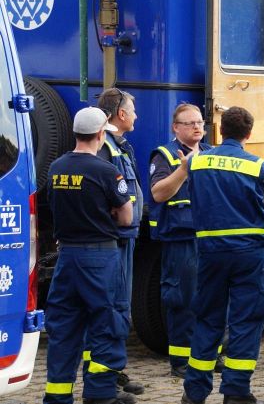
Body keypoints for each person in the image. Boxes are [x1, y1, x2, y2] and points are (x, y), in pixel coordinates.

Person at [181, 107, 264, 404]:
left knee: (208, 319)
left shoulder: (197, 161)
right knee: (246, 320)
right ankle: (236, 391)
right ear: (248, 134)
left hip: (210, 252)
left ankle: (194, 392)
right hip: (249, 252)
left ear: (219, 131)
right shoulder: (260, 166)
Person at [43, 107, 133, 404]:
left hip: (66, 258)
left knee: (65, 327)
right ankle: (100, 394)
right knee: (107, 322)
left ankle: (57, 396)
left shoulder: (56, 167)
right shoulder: (107, 171)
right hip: (100, 257)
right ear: (99, 134)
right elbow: (126, 217)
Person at [149, 104, 211, 377]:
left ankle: (208, 356)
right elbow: (158, 194)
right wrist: (183, 170)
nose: (197, 127)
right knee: (182, 299)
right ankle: (181, 361)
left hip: (209, 238)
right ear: (176, 128)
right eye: (189, 123)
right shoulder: (164, 155)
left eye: (199, 122)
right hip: (181, 240)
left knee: (212, 298)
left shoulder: (212, 154)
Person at [94, 88, 145, 399]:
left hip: (125, 237)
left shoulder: (118, 145)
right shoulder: (106, 148)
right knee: (112, 308)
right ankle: (105, 376)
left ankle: (114, 368)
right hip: (114, 239)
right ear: (121, 115)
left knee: (119, 307)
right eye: (133, 111)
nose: (136, 116)